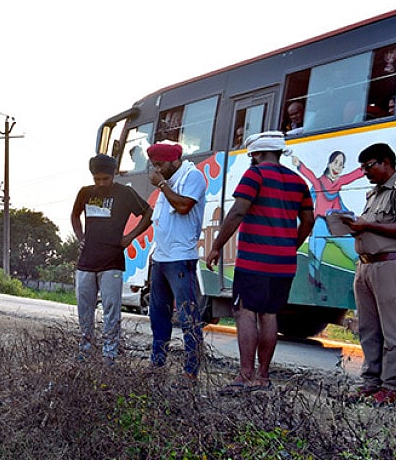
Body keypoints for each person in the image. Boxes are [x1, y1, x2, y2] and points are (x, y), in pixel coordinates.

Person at [205, 132, 314, 391]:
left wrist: (216, 246)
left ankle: (245, 375)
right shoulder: (298, 181)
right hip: (284, 263)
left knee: (245, 312)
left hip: (254, 261)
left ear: (256, 153)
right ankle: (263, 377)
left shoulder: (255, 175)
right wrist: (291, 246)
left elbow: (238, 211)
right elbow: (309, 220)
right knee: (269, 314)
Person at [339, 143, 396, 405]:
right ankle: (371, 382)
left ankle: (392, 386)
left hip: (389, 265)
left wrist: (367, 225)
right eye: (362, 167)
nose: (365, 172)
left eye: (369, 166)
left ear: (386, 162)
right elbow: (372, 227)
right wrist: (355, 227)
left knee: (391, 329)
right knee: (368, 328)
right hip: (365, 266)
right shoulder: (373, 195)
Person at [70, 154, 153, 363]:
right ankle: (85, 351)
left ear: (114, 174)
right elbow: (74, 215)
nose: (101, 183)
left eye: (105, 179)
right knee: (85, 310)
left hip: (112, 262)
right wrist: (80, 237)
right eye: (96, 179)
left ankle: (110, 354)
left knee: (111, 310)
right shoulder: (85, 192)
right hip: (86, 262)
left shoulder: (125, 193)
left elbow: (148, 213)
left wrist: (130, 237)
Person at [146, 141, 207, 380]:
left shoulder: (193, 176)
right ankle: (157, 362)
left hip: (181, 257)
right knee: (158, 314)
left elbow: (183, 206)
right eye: (154, 165)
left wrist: (162, 185)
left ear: (174, 161)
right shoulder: (168, 182)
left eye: (160, 165)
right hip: (161, 256)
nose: (157, 169)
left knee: (187, 315)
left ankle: (191, 370)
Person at [292, 150, 362, 286]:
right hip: (321, 224)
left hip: (334, 223)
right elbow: (311, 177)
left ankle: (362, 279)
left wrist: (365, 168)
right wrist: (299, 165)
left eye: (341, 165)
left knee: (354, 250)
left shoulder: (339, 182)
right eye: (335, 162)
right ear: (329, 164)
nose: (337, 167)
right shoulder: (319, 183)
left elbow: (352, 176)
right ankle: (314, 281)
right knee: (315, 253)